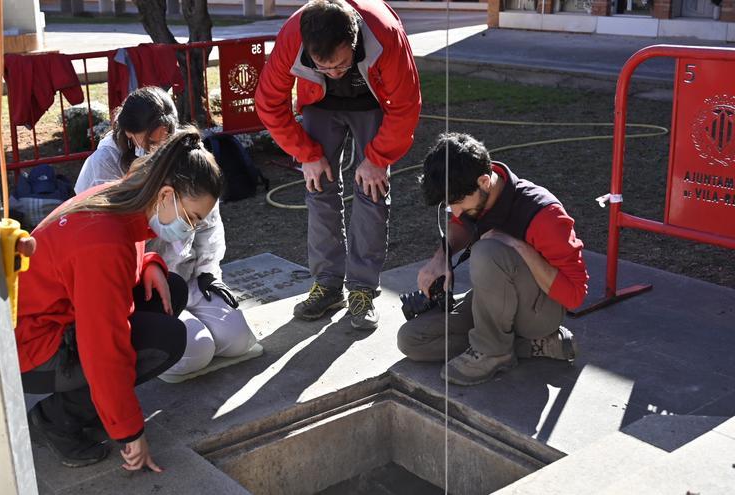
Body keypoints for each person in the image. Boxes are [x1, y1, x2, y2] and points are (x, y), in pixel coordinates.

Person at [17, 128, 223, 470]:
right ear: (167, 194)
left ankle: (91, 404)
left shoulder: (119, 198)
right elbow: (103, 347)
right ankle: (55, 418)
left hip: (47, 323)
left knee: (170, 289)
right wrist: (129, 430)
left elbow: (125, 251)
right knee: (167, 339)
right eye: (192, 218)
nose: (191, 228)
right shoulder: (102, 244)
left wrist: (149, 263)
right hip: (30, 353)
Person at [256, 0, 421, 330]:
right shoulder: (293, 34)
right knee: (318, 187)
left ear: (355, 40)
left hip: (374, 102)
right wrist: (306, 154)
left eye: (341, 65)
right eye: (324, 67)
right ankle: (327, 285)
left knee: (371, 189)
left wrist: (376, 159)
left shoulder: (385, 33)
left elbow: (406, 105)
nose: (333, 73)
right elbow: (269, 103)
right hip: (320, 104)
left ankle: (362, 290)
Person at [75, 87, 257, 381]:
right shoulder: (104, 166)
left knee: (236, 340)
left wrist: (209, 271)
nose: (160, 148)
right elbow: (105, 242)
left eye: (166, 138)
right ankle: (146, 343)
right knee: (196, 352)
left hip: (187, 274)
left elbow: (208, 219)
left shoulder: (184, 153)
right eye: (151, 142)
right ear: (130, 133)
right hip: (143, 286)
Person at [397, 133, 588, 386]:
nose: (455, 212)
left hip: (539, 313)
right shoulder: (473, 193)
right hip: (498, 305)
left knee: (487, 251)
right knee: (412, 340)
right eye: (448, 205)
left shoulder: (545, 215)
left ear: (485, 181)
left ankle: (494, 352)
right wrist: (441, 258)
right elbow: (461, 226)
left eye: (457, 203)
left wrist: (515, 245)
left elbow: (575, 295)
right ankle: (526, 347)